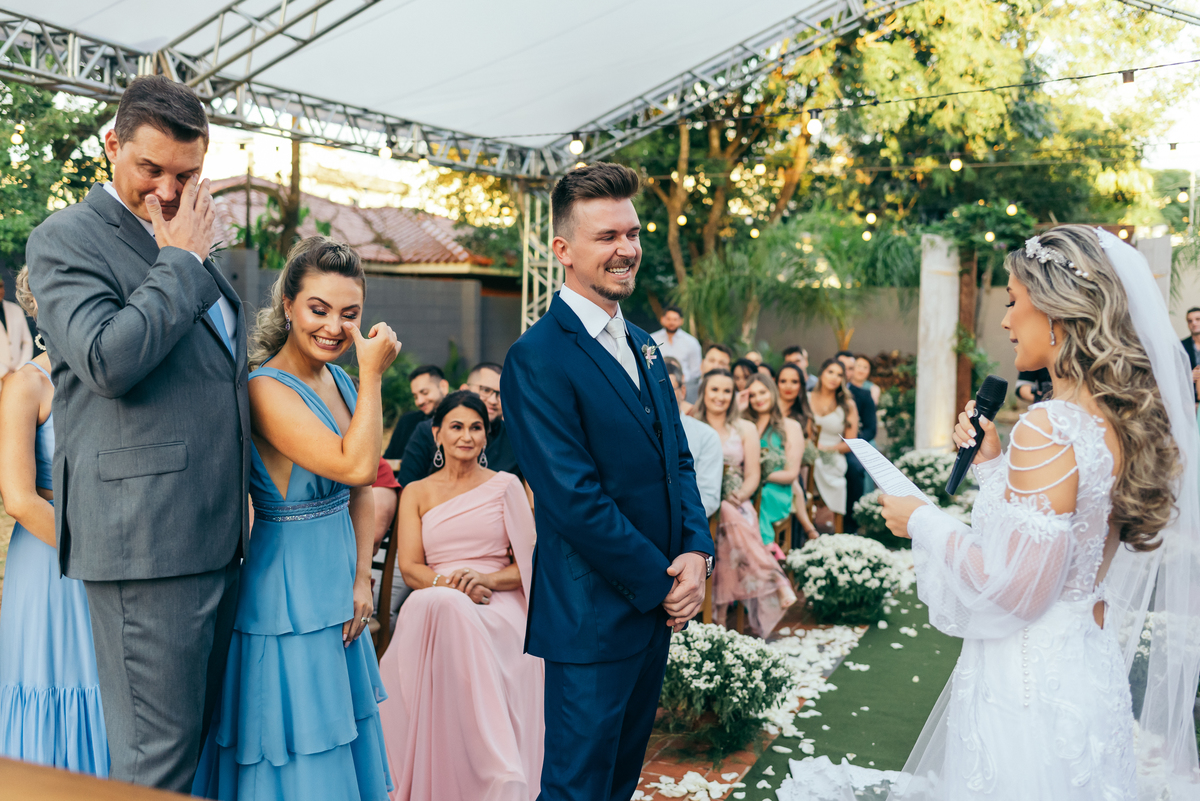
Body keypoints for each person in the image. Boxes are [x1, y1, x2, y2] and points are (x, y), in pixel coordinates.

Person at [819, 225, 1200, 800]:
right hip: (1084, 666)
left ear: (1056, 312)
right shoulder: (1113, 420)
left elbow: (1017, 589)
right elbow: (1074, 538)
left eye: (1012, 301)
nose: (1003, 321)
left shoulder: (1050, 424)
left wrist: (921, 520)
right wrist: (994, 466)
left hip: (1030, 682)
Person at [26, 75, 249, 791]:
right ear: (112, 145)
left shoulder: (194, 239)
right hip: (144, 543)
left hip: (215, 537)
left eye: (185, 174)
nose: (166, 188)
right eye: (149, 167)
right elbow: (107, 359)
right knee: (154, 769)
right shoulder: (64, 239)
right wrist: (179, 259)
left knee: (194, 752)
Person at [500, 162, 714, 801]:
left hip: (652, 614)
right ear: (562, 251)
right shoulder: (537, 358)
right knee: (575, 789)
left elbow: (679, 460)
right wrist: (662, 583)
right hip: (592, 619)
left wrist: (697, 554)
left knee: (620, 784)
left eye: (633, 233)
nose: (627, 249)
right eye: (607, 237)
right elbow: (572, 499)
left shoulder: (646, 344)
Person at [192, 237, 397, 800]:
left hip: (338, 583)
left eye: (349, 314)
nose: (334, 327)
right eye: (319, 309)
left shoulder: (341, 381)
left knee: (338, 734)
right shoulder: (264, 390)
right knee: (296, 744)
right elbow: (355, 463)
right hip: (287, 593)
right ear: (288, 305)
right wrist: (375, 375)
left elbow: (362, 489)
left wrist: (362, 576)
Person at [378, 391, 543, 801]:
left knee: (455, 611)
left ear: (487, 437)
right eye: (456, 427)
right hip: (435, 592)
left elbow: (527, 566)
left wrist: (483, 580)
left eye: (476, 428)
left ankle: (496, 768)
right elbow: (412, 566)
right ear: (437, 434)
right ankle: (480, 765)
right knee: (442, 605)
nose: (466, 436)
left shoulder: (508, 486)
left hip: (496, 599)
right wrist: (448, 585)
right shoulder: (415, 491)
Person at [0, 268, 108, 775]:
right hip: (50, 560)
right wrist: (91, 554)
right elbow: (18, 498)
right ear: (38, 307)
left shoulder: (110, 379)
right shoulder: (26, 384)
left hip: (114, 556)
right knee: (55, 684)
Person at [691, 369, 795, 637]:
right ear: (704, 392)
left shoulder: (744, 428)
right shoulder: (691, 422)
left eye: (727, 391)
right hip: (699, 500)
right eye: (714, 390)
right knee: (720, 512)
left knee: (726, 514)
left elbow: (752, 476)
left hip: (737, 501)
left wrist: (739, 494)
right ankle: (772, 576)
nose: (721, 396)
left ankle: (718, 616)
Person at [397, 362, 520, 486]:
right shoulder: (427, 430)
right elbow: (407, 485)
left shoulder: (516, 439)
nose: (493, 400)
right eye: (485, 390)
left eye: (501, 394)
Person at [743, 374, 804, 548]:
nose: (758, 399)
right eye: (752, 395)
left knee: (763, 497)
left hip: (776, 489)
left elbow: (791, 473)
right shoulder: (745, 424)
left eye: (762, 392)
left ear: (772, 392)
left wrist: (758, 475)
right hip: (748, 488)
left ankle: (766, 549)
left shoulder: (790, 426)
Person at [666, 360, 722, 517]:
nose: (661, 395)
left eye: (669, 388)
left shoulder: (706, 436)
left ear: (683, 391)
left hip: (687, 521)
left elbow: (709, 498)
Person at [806, 358, 858, 520]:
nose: (834, 377)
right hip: (809, 451)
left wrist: (827, 449)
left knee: (834, 475)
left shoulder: (848, 405)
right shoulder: (807, 398)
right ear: (821, 374)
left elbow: (851, 443)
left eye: (839, 374)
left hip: (834, 455)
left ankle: (837, 524)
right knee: (807, 467)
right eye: (830, 372)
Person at [776, 363, 819, 540]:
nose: (788, 386)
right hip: (765, 463)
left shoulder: (804, 416)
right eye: (783, 381)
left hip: (790, 468)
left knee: (794, 483)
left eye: (794, 382)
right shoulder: (764, 406)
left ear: (801, 386)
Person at [836, 350, 876, 533]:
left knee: (855, 469)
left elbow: (871, 428)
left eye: (849, 368)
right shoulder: (821, 393)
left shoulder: (863, 395)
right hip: (825, 443)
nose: (845, 372)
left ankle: (851, 523)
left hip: (852, 444)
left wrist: (852, 442)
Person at [382, 365, 450, 469]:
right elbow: (388, 461)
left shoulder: (458, 422)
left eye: (425, 393)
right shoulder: (407, 422)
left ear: (443, 387)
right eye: (415, 396)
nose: (419, 401)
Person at [651, 305, 702, 400]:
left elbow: (695, 371)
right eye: (669, 319)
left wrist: (682, 384)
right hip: (657, 389)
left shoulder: (692, 342)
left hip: (684, 391)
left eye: (675, 319)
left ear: (681, 321)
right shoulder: (652, 340)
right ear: (662, 319)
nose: (671, 322)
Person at [0, 272, 33, 383]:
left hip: (18, 378)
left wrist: (20, 369)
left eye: (1, 286)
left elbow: (27, 342)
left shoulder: (15, 309)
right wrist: (4, 373)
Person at [1181, 306, 1200, 405]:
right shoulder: (1181, 346)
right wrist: (1188, 377)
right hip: (1188, 400)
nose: (1194, 323)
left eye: (1198, 319)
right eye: (1190, 321)